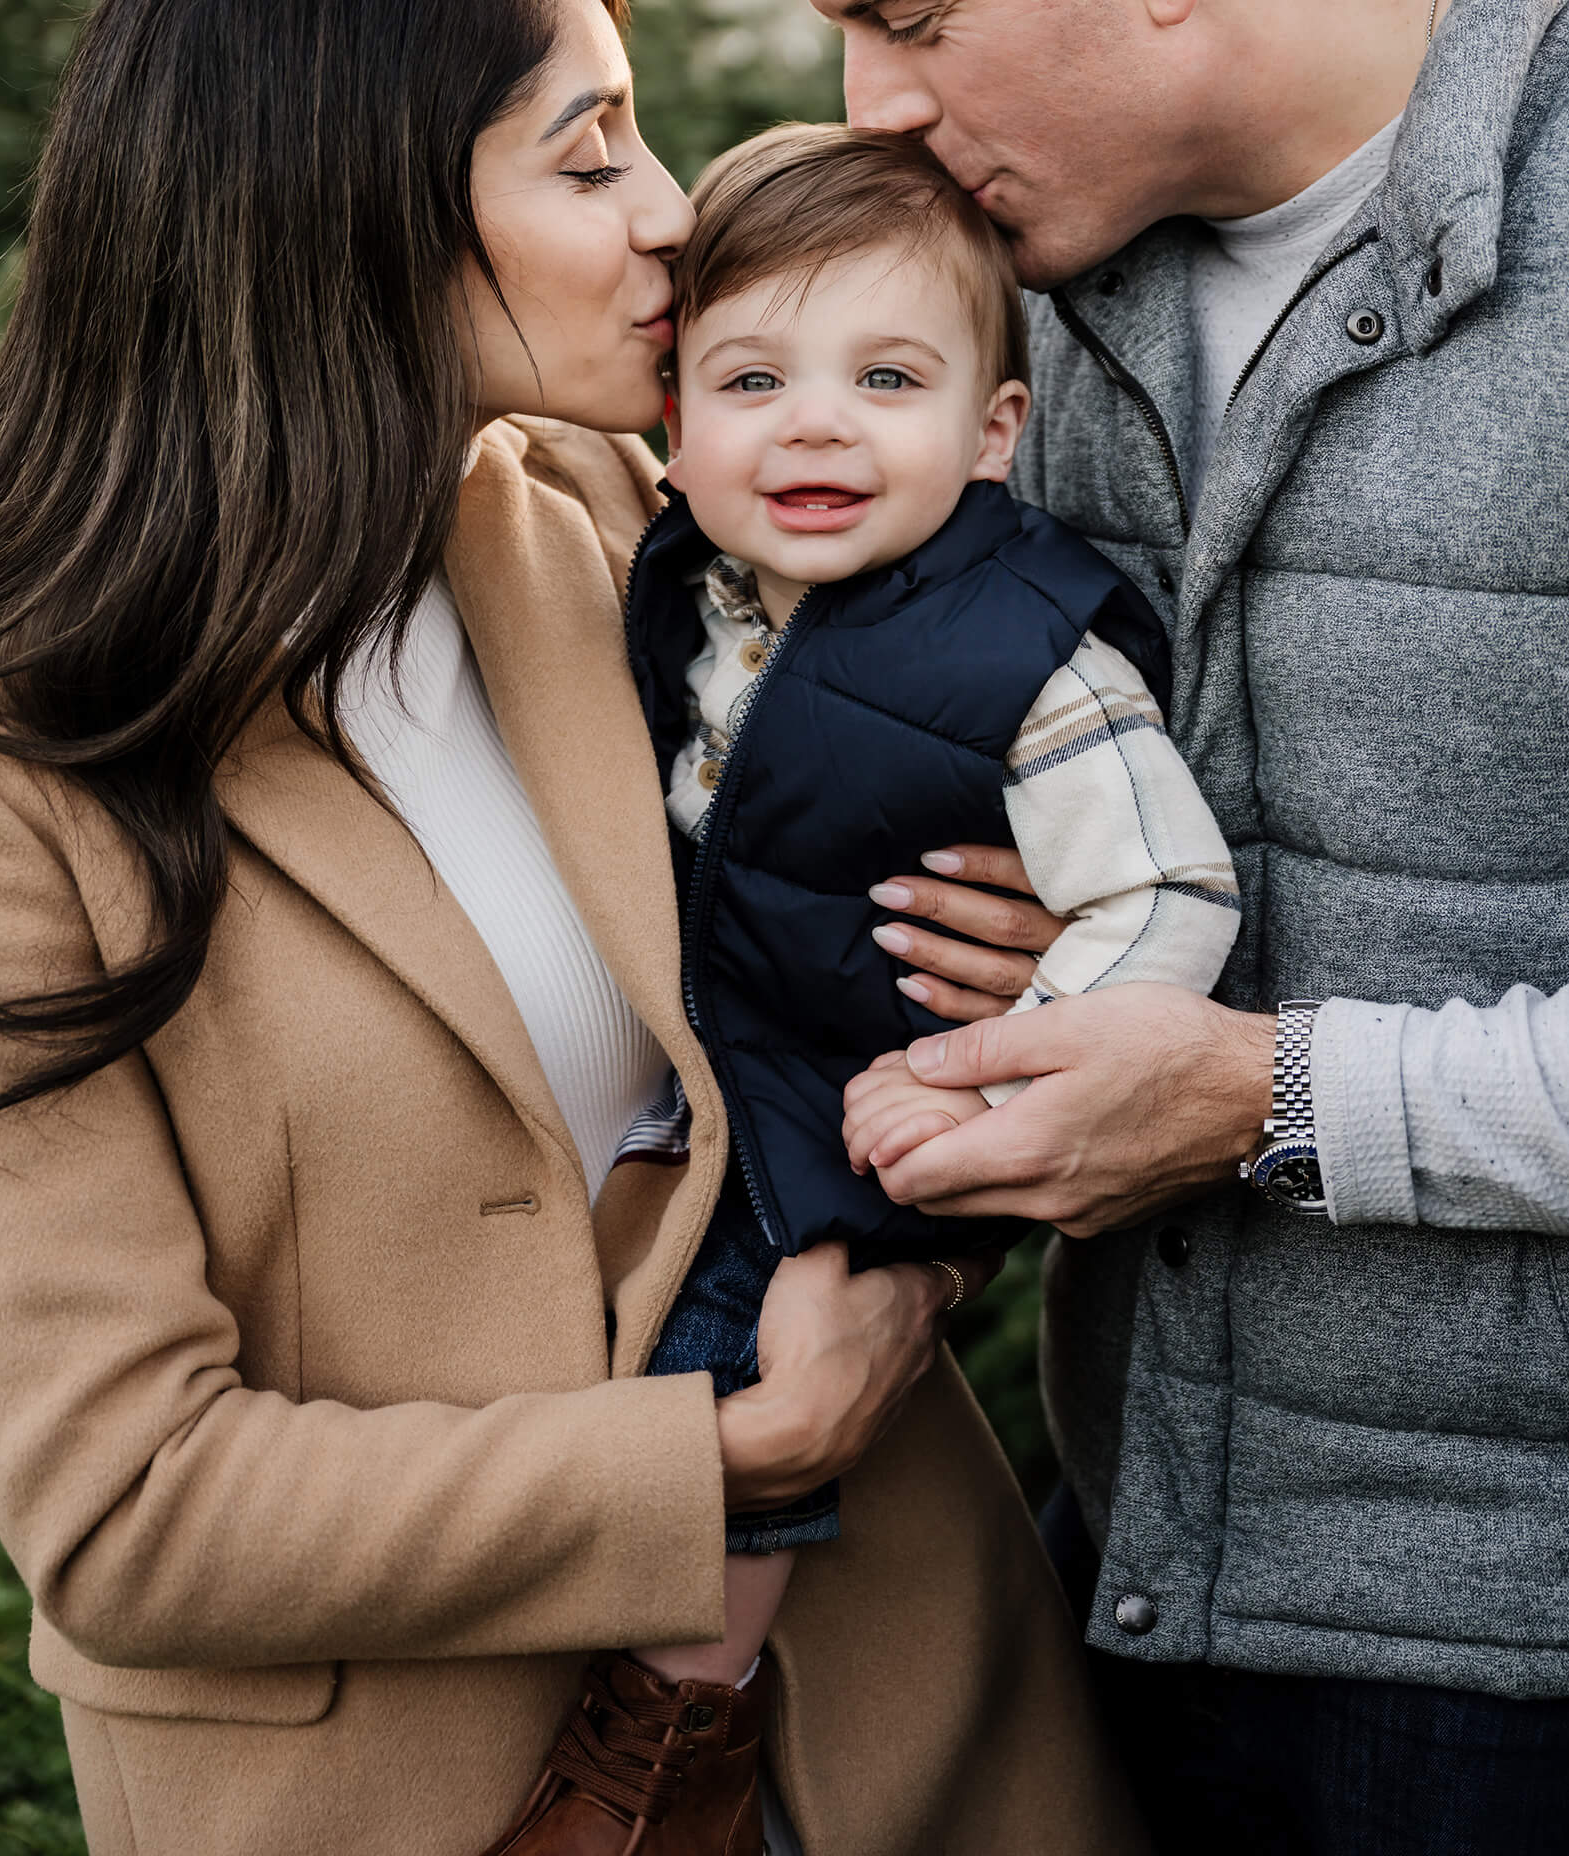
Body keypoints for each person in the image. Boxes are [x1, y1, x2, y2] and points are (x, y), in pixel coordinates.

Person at [0, 0, 1141, 1856]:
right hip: (419, 1795)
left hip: (890, 1715)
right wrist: (728, 1449)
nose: (673, 211)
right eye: (590, 157)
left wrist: (999, 954)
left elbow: (831, 977)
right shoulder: (21, 758)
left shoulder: (620, 516)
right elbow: (128, 1508)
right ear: (341, 212)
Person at [733, 0, 1569, 1854]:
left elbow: (1239, 1070)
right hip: (1140, 1571)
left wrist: (1265, 1093)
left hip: (1567, 1667)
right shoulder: (1016, 279)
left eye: (909, 13)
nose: (863, 101)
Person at [519, 121, 1238, 1848]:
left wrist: (998, 1074)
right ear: (673, 421)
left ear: (996, 431)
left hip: (867, 1105)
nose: (818, 424)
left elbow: (1166, 889)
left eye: (890, 379)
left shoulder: (1029, 657)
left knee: (739, 1347)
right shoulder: (686, 588)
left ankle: (667, 1744)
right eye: (753, 380)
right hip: (727, 1079)